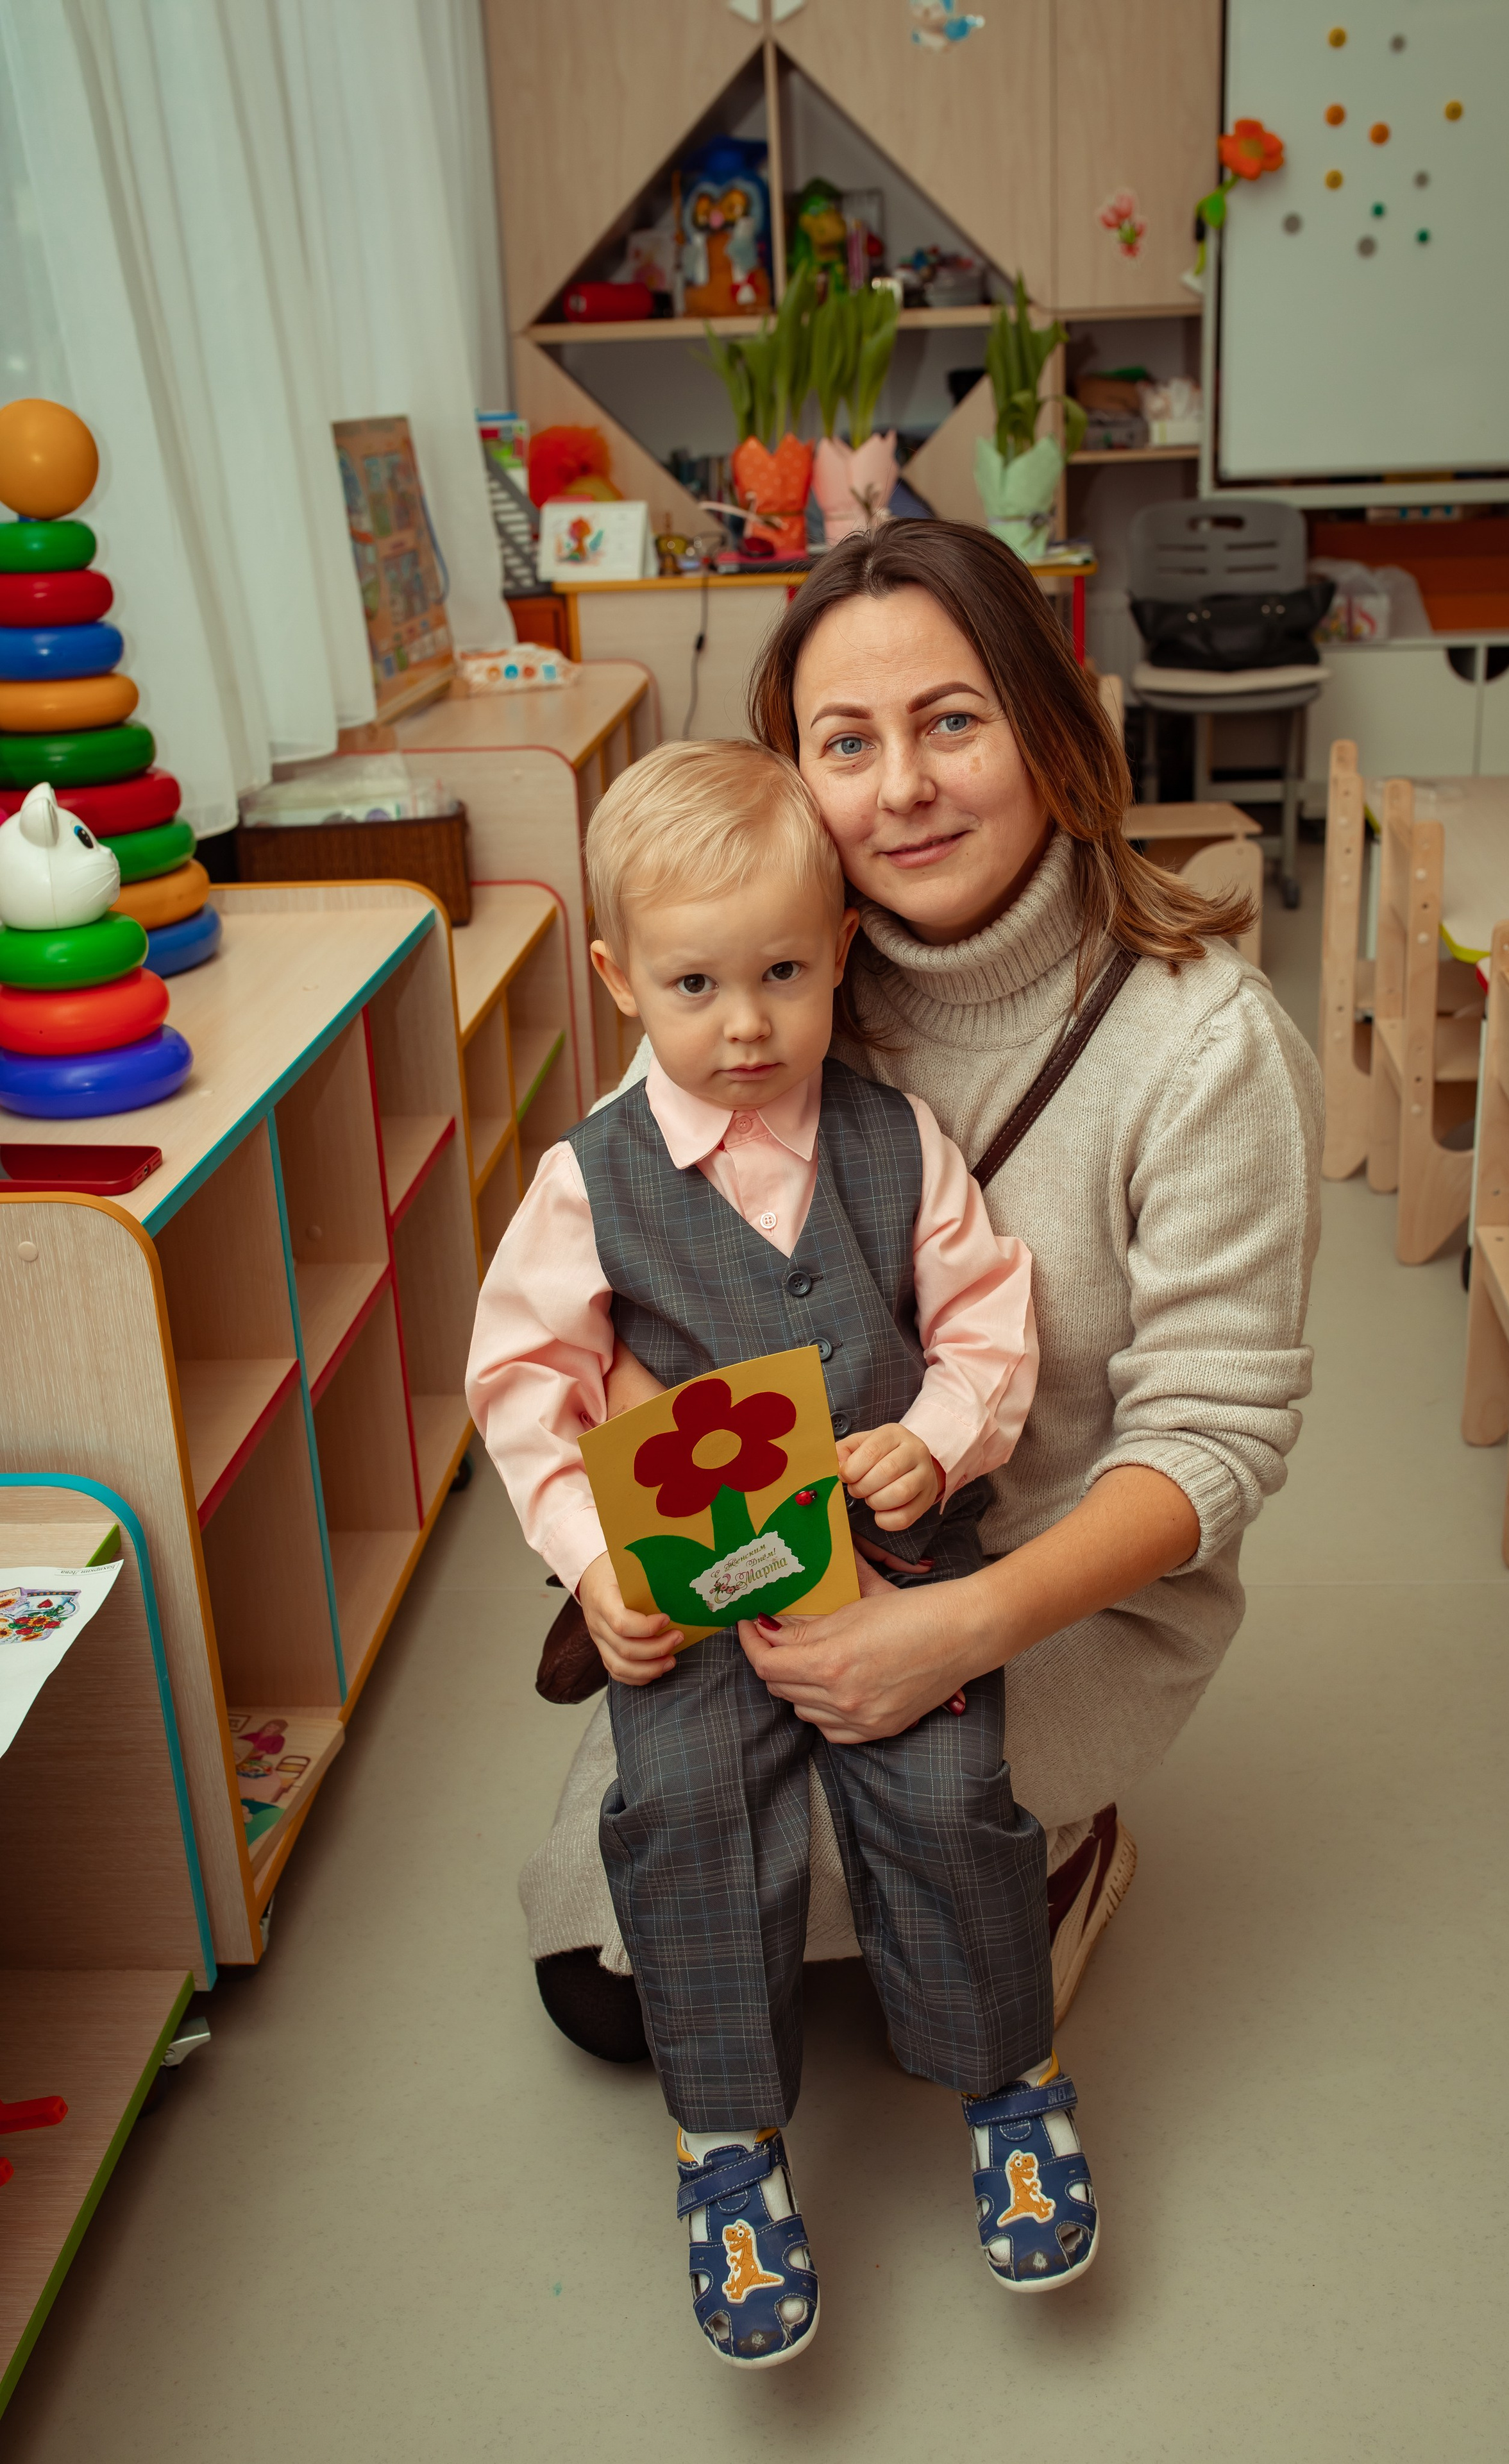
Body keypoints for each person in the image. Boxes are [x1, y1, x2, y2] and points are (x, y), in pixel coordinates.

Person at [518, 516, 1322, 2243]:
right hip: (791, 1564)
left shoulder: (1205, 1044)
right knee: (602, 1980)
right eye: (846, 742)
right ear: (791, 776)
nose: (903, 791)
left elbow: (1221, 1432)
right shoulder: (792, 980)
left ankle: (1067, 1844)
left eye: (952, 720)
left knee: (910, 1942)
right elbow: (614, 1306)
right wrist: (621, 1547)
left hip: (1042, 1587)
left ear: (1049, 724)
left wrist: (946, 1632)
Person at [468, 736, 1107, 2368]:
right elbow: (522, 1383)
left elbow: (986, 1320)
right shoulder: (586, 1181)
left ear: (837, 950)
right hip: (693, 1588)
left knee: (951, 1798)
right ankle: (726, 2148)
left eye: (779, 973)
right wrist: (593, 1560)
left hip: (889, 1560)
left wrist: (941, 1433)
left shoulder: (894, 1140)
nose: (742, 1023)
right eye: (692, 984)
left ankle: (1006, 2082)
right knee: (681, 1813)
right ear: (621, 980)